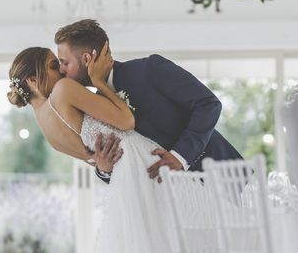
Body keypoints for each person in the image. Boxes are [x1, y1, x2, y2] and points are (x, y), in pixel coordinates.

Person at [6, 42, 174, 253]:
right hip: (142, 158)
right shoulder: (63, 90)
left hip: (126, 179)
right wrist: (99, 81)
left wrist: (103, 169)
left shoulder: (48, 133)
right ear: (32, 81)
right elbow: (126, 122)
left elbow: (100, 163)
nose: (61, 69)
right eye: (52, 65)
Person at [54, 19, 242, 183]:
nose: (61, 71)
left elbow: (208, 104)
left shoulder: (149, 69)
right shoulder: (95, 106)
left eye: (64, 62)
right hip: (170, 203)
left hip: (223, 179)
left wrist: (180, 156)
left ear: (87, 59)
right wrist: (104, 170)